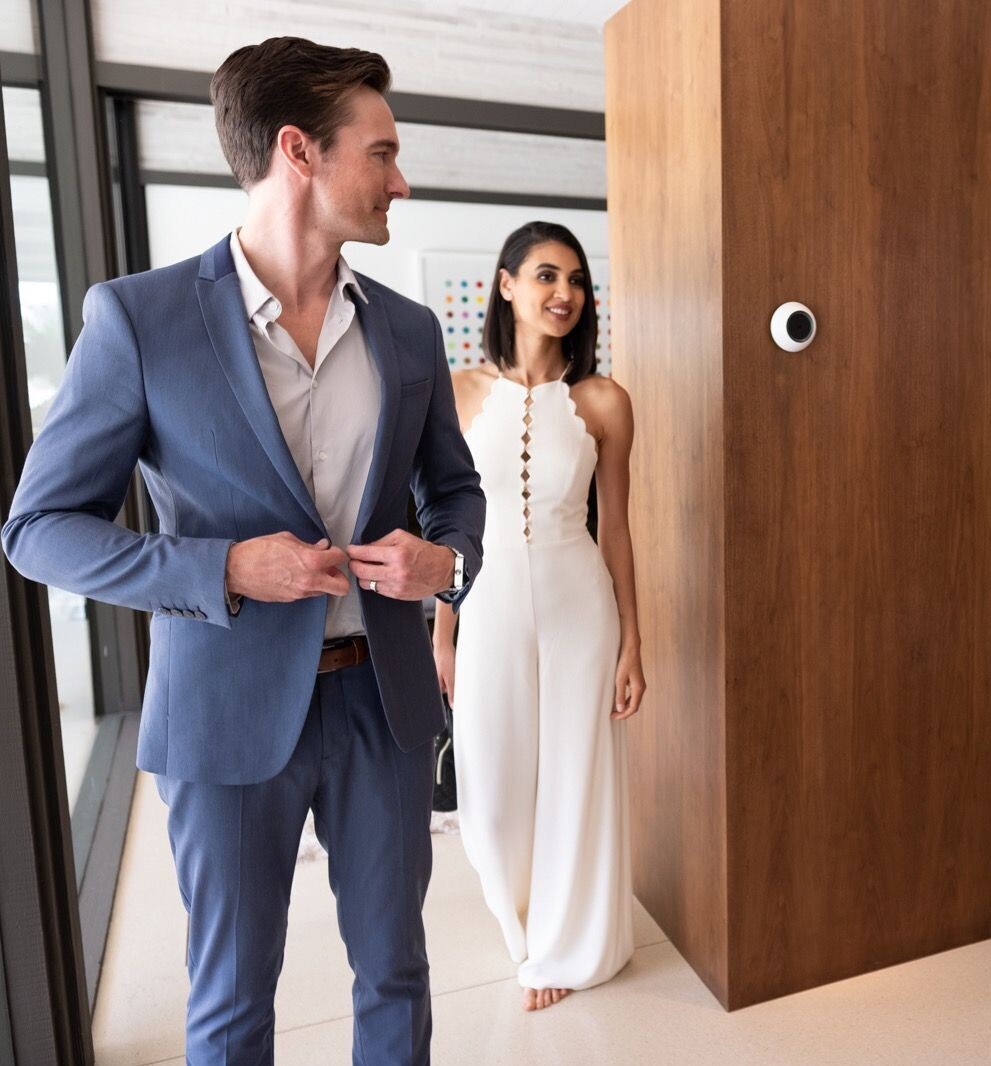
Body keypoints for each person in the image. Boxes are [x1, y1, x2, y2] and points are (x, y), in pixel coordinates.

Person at [2, 37, 485, 1064]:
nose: (401, 181)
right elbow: (36, 530)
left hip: (384, 707)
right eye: (382, 153)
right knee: (230, 1000)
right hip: (220, 714)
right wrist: (220, 568)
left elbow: (455, 492)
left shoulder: (404, 332)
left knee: (396, 973)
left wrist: (449, 564)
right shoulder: (139, 319)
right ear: (300, 151)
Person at [432, 221, 644, 1012]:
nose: (565, 294)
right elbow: (442, 527)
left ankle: (563, 947)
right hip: (484, 605)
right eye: (547, 275)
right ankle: (522, 927)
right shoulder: (457, 393)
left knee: (574, 778)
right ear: (506, 284)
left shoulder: (604, 401)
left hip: (578, 606)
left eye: (578, 281)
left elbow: (615, 528)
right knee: (487, 790)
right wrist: (442, 631)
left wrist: (633, 643)